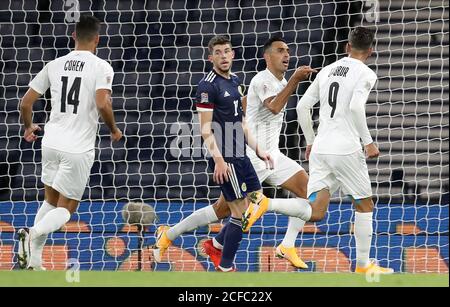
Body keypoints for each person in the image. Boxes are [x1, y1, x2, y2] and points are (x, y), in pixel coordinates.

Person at [153, 37, 315, 269]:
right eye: (280, 51)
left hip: (269, 154)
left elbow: (242, 108)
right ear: (267, 57)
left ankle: (286, 245)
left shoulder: (247, 81)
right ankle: (178, 237)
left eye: (288, 50)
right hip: (245, 154)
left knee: (305, 189)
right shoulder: (262, 80)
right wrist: (296, 80)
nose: (286, 54)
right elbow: (274, 106)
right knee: (227, 210)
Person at [17, 15, 122, 270]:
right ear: (98, 39)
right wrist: (113, 128)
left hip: (51, 142)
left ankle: (34, 260)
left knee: (50, 202)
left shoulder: (54, 64)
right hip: (78, 147)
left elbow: (25, 103)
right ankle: (31, 234)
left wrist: (28, 126)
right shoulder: (102, 67)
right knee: (67, 209)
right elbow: (101, 102)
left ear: (73, 36)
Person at [295, 26, 394, 274]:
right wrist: (368, 141)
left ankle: (267, 204)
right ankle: (362, 265)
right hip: (346, 148)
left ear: (346, 47)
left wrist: (309, 141)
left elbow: (301, 107)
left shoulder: (327, 70)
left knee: (315, 210)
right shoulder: (366, 73)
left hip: (320, 148)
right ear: (370, 51)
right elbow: (355, 108)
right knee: (364, 205)